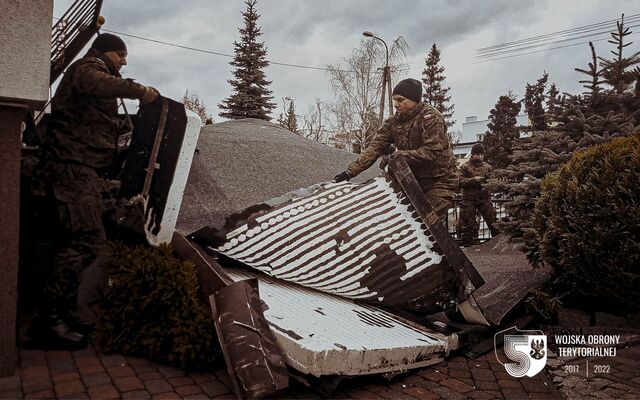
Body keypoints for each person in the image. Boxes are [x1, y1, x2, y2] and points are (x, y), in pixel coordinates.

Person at [27, 33, 160, 349]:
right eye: (120, 54)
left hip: (78, 170)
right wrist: (140, 91)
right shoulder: (86, 68)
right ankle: (48, 320)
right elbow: (96, 82)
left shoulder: (95, 74)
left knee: (71, 240)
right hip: (72, 170)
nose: (124, 61)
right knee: (88, 239)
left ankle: (59, 313)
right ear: (104, 53)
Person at [333, 78, 457, 219]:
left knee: (423, 220)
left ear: (414, 99)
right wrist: (350, 172)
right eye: (394, 101)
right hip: (412, 180)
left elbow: (432, 152)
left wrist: (399, 156)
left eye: (400, 100)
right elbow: (375, 147)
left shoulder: (431, 118)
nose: (396, 104)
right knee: (395, 218)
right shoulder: (393, 122)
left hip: (439, 181)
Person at [458, 143, 498, 246]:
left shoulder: (488, 167)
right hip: (468, 199)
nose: (479, 156)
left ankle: (497, 244)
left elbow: (493, 182)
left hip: (484, 198)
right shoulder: (464, 167)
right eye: (477, 154)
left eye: (481, 154)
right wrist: (473, 180)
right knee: (468, 225)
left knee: (493, 221)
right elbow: (460, 182)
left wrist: (486, 183)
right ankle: (469, 247)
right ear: (472, 154)